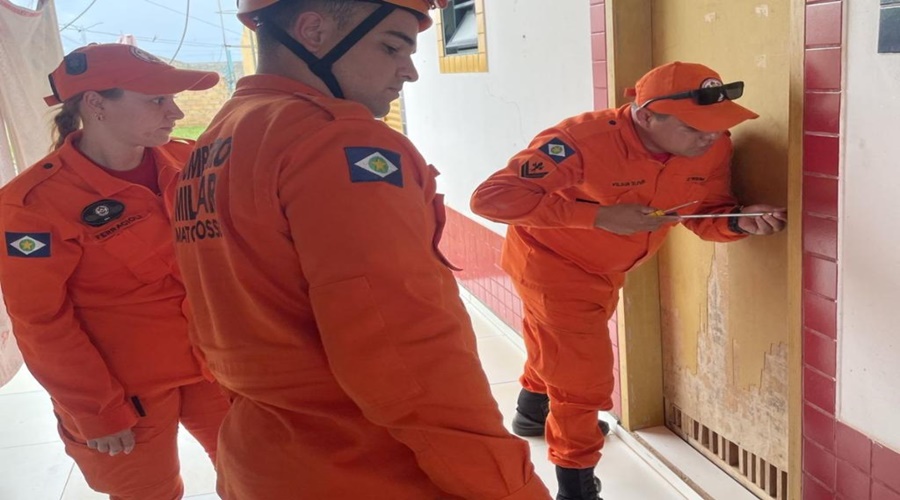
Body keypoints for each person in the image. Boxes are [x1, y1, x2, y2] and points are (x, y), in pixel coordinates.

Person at [172, 1, 550, 499]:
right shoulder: (337, 142)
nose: (409, 72)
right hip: (364, 465)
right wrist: (511, 488)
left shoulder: (218, 139)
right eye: (392, 46)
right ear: (312, 29)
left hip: (263, 456)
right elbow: (405, 355)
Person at [470, 61, 787, 500]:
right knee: (582, 379)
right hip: (550, 264)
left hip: (609, 270)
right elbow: (492, 199)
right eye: (695, 127)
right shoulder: (578, 142)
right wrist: (598, 216)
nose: (710, 137)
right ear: (647, 113)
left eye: (719, 125)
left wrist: (740, 221)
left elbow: (704, 213)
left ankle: (531, 410)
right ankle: (576, 483)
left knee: (558, 349)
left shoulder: (713, 148)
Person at [0, 44, 230, 500]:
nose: (176, 111)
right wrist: (95, 409)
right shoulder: (33, 205)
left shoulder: (191, 165)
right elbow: (41, 321)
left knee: (258, 474)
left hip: (216, 365)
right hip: (124, 390)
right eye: (157, 100)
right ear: (96, 103)